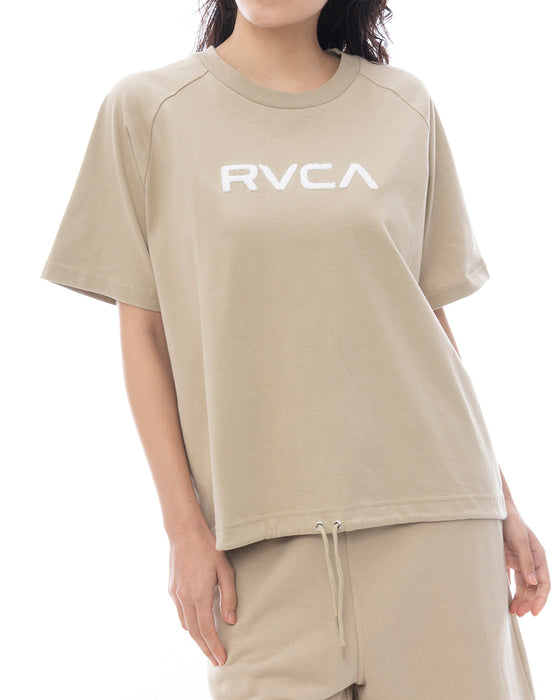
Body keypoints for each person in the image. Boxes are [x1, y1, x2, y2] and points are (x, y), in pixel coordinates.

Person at [39, 1, 550, 698]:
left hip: (437, 529)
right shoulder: (149, 110)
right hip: (259, 551)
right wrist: (183, 531)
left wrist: (502, 499)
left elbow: (423, 320)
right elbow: (144, 332)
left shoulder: (404, 107)